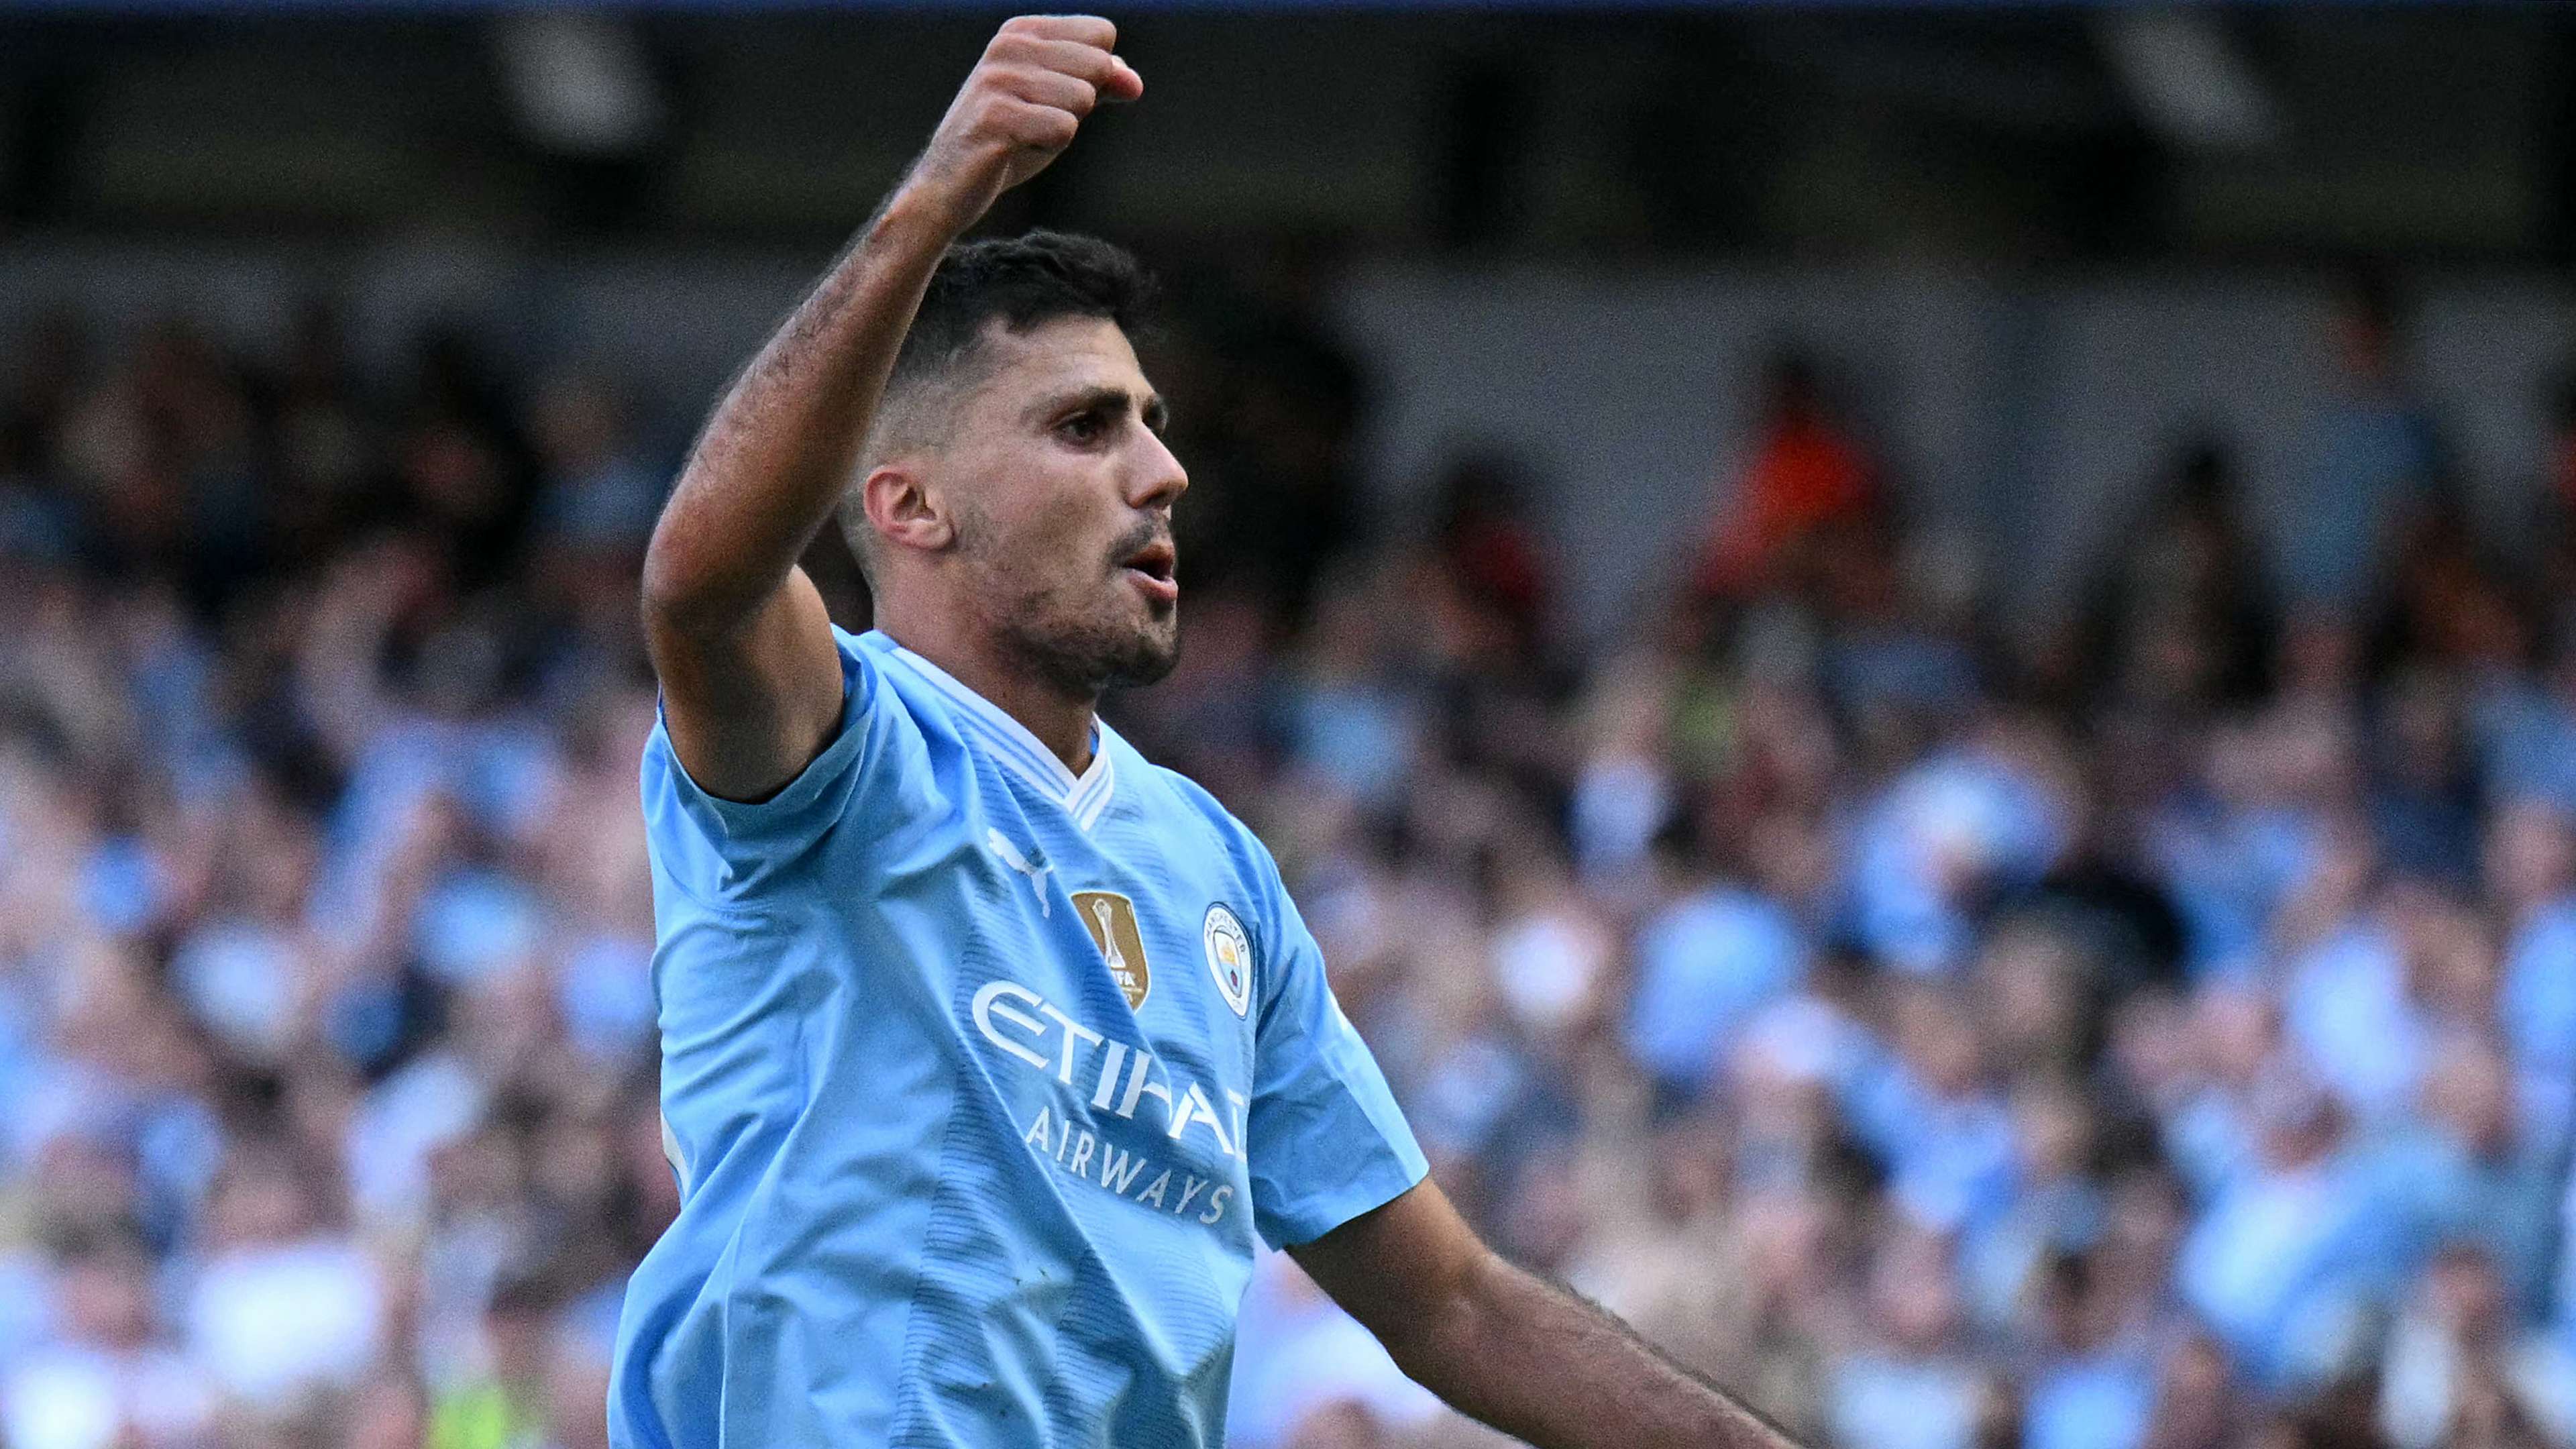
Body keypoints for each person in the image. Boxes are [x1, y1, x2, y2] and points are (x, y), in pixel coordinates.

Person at [607, 16, 1805, 1449]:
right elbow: (700, 583)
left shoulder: (1216, 874)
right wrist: (932, 205)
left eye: (1153, 423)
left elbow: (1455, 1306)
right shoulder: (839, 755)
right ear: (911, 506)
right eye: (1084, 428)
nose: (1164, 471)